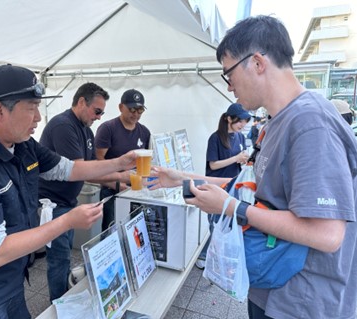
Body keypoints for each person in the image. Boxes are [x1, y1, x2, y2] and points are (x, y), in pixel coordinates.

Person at [148, 15, 357, 319]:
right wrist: (181, 177)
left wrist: (233, 208)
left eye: (228, 74)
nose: (230, 87)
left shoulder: (310, 123)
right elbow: (251, 189)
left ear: (258, 63)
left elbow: (327, 234)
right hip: (274, 287)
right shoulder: (277, 122)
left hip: (303, 302)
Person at [0, 65, 136, 319]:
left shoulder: (22, 145)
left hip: (10, 280)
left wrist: (119, 164)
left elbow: (67, 169)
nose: (39, 117)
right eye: (31, 107)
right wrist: (67, 221)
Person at [38, 82, 131, 301]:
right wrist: (120, 172)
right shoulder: (63, 125)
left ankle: (62, 299)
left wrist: (119, 181)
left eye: (102, 113)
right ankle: (59, 305)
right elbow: (79, 170)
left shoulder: (86, 131)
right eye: (97, 111)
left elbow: (91, 170)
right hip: (53, 202)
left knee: (65, 253)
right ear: (81, 102)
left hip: (67, 201)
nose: (99, 117)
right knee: (59, 258)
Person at [195, 103, 250, 269]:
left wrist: (244, 159)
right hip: (217, 186)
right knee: (215, 223)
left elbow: (241, 157)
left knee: (226, 223)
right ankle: (205, 255)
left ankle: (215, 254)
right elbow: (213, 165)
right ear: (228, 118)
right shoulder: (216, 138)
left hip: (233, 185)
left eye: (245, 120)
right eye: (240, 120)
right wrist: (235, 158)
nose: (243, 124)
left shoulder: (240, 137)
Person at [94, 89, 151, 231]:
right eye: (132, 109)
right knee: (111, 231)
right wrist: (115, 184)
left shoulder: (144, 132)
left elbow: (145, 162)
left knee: (135, 230)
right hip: (112, 190)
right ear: (121, 107)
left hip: (136, 189)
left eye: (140, 110)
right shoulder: (108, 128)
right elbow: (97, 161)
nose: (136, 114)